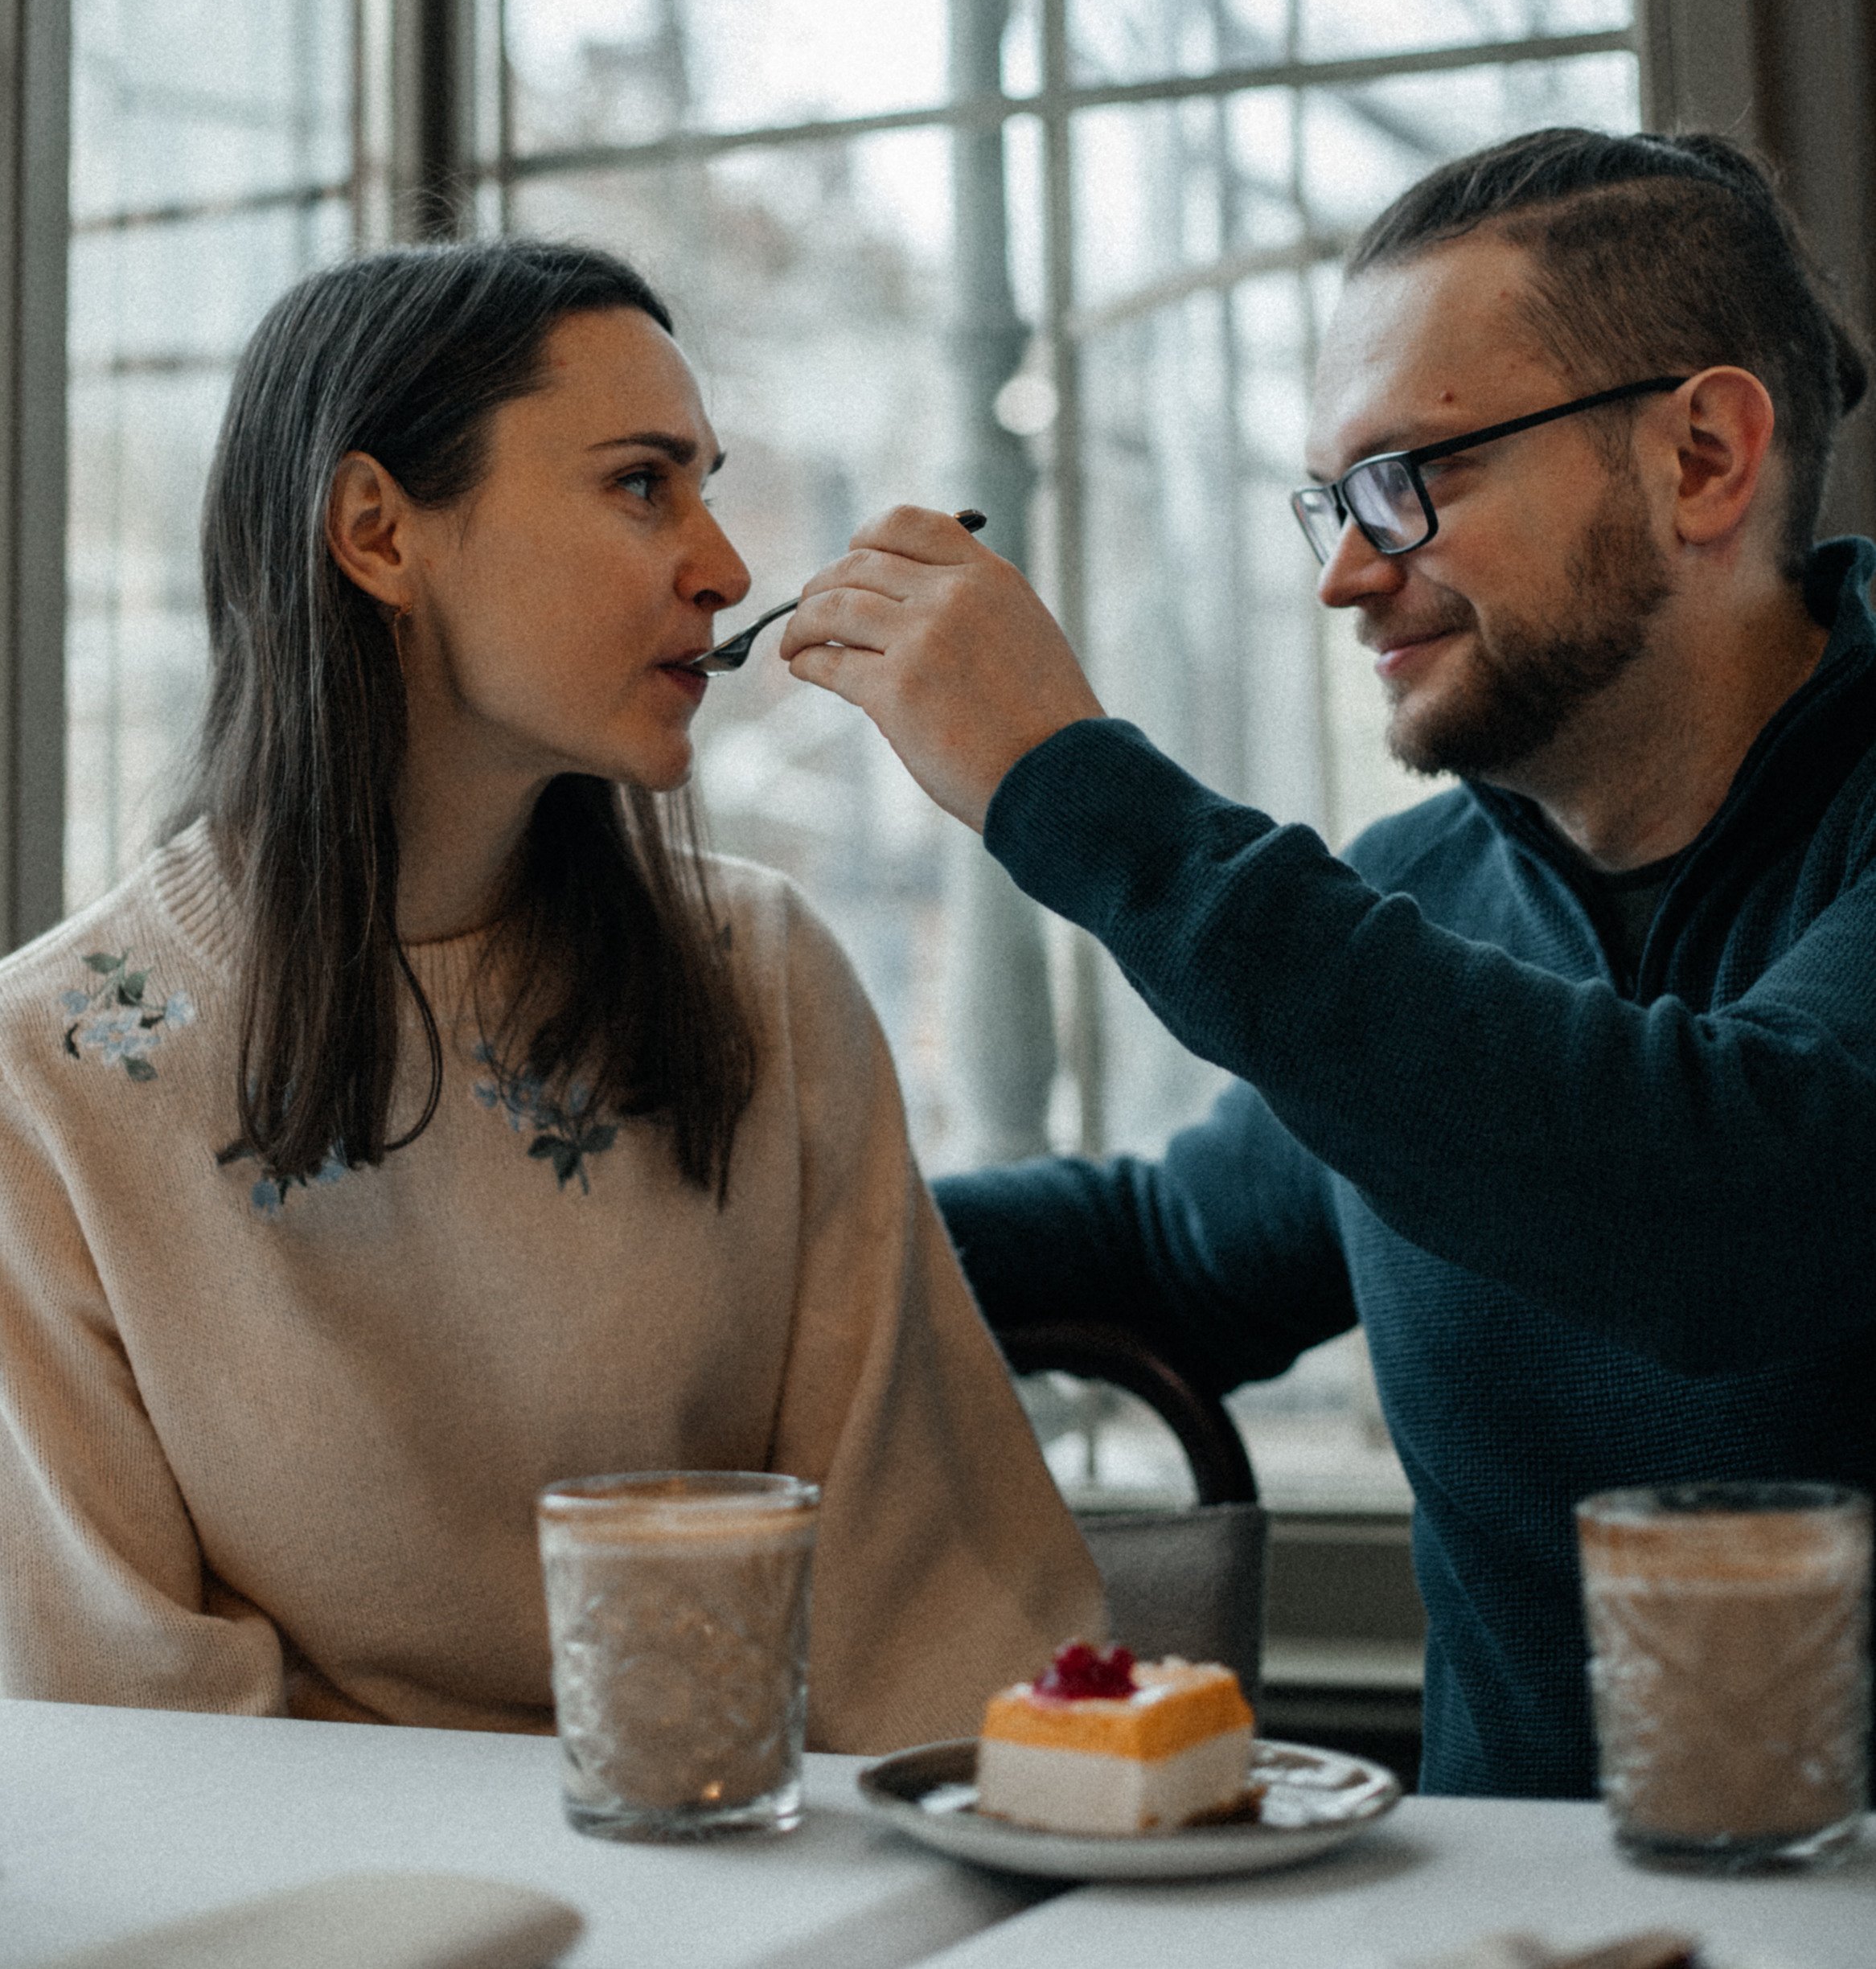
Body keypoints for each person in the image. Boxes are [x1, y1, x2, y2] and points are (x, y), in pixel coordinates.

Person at [779, 128, 1876, 1799]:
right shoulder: (1419, 902)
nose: (1348, 574)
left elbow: (1735, 1199)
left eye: (1409, 480)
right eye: (1334, 498)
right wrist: (711, 1244)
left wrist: (1072, 787)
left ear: (1707, 457)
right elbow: (1171, 1251)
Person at [0, 238, 1098, 1740]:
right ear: (379, 534)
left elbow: (922, 1633)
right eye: (643, 483)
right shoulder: (44, 1076)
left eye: (706, 484)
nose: (721, 566)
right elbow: (126, 1738)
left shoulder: (759, 980)